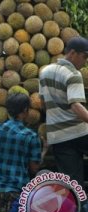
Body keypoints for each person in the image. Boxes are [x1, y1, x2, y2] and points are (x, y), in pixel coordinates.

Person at [39, 36, 88, 189]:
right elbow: (75, 105)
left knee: (72, 184)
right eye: (84, 56)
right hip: (79, 133)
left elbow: (43, 103)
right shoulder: (73, 74)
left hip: (58, 137)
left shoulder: (44, 71)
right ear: (73, 53)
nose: (85, 61)